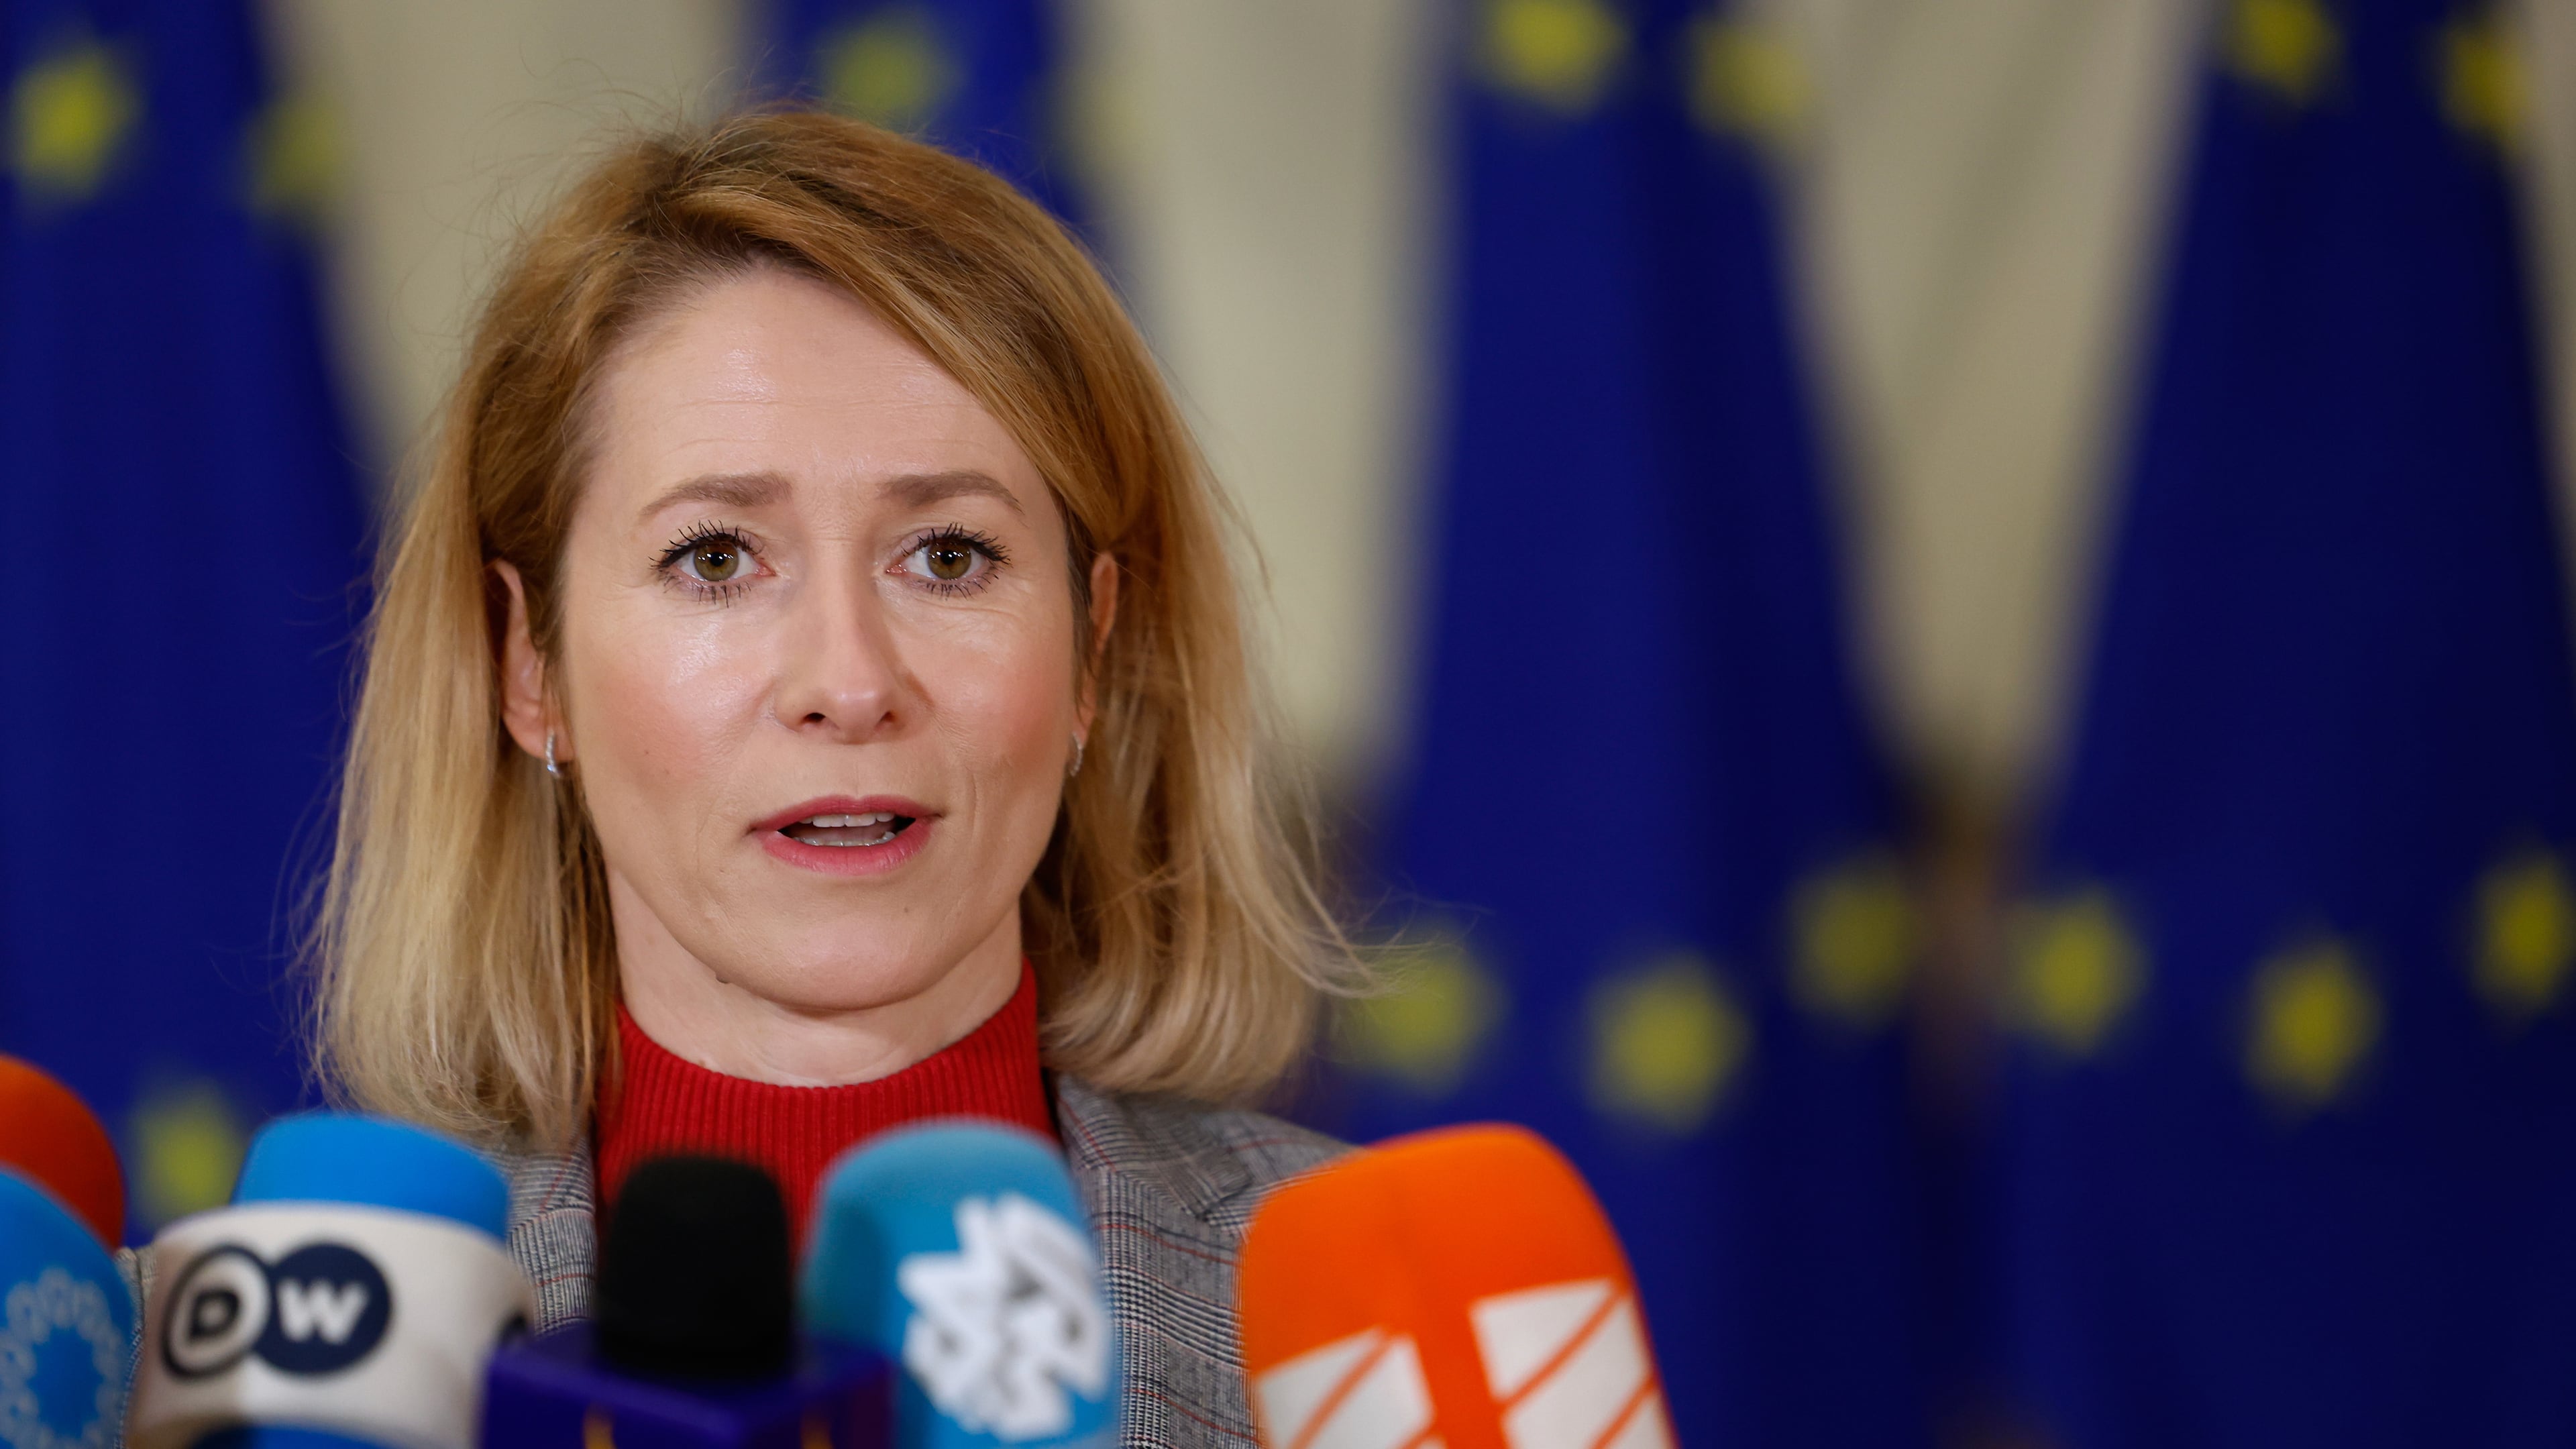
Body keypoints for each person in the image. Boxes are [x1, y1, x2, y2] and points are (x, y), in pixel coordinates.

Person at [309, 110, 1358, 1446]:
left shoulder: (1356, 1346)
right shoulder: (271, 1363)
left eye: (950, 557)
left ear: (1094, 649)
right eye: (716, 559)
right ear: (533, 669)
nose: (850, 682)